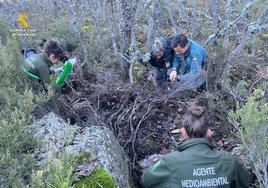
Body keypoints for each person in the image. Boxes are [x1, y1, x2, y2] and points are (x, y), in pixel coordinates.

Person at [141, 105, 251, 188]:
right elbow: (245, 180)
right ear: (209, 133)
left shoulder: (170, 162)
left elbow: (146, 180)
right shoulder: (229, 160)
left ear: (183, 132)